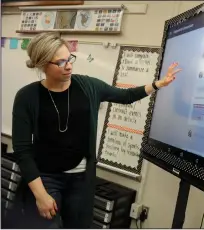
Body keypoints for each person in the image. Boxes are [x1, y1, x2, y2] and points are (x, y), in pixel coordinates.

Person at [9, 32, 181, 228]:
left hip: (81, 179)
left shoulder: (88, 86)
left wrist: (158, 84)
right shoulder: (27, 97)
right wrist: (40, 195)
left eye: (70, 58)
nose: (69, 65)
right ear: (42, 64)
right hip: (45, 177)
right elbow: (22, 150)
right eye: (61, 62)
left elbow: (126, 96)